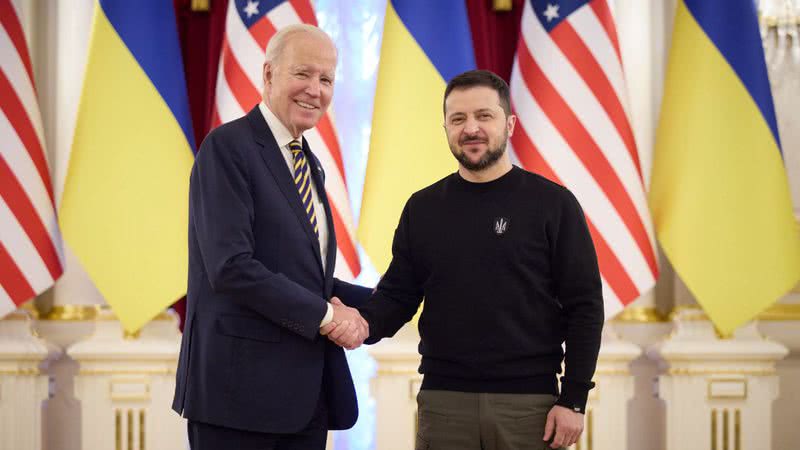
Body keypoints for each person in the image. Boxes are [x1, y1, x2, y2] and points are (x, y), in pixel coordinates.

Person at [356, 70, 604, 449]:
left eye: (484, 116)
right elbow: (397, 297)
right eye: (458, 119)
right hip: (443, 405)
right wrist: (354, 323)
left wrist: (573, 399)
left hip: (530, 408)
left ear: (509, 124)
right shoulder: (422, 208)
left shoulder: (553, 205)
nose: (471, 128)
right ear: (446, 127)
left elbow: (585, 307)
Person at [172, 24, 371, 450]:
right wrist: (329, 316)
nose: (315, 90)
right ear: (267, 74)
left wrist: (396, 299)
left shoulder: (309, 163)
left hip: (304, 401)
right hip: (238, 401)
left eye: (326, 79)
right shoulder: (227, 148)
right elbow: (232, 268)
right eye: (303, 74)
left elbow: (305, 279)